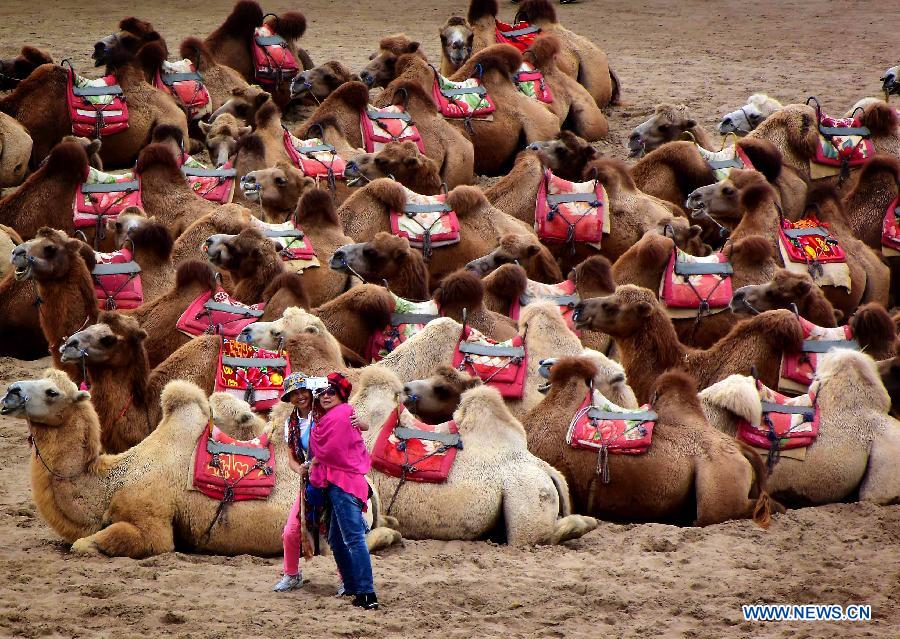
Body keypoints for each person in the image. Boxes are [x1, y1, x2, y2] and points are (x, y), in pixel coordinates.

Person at [308, 371, 379, 610]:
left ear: (340, 394)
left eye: (331, 391)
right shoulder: (333, 416)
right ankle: (351, 585)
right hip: (337, 484)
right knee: (337, 540)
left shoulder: (340, 416)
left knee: (353, 539)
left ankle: (367, 593)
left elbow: (330, 451)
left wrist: (315, 461)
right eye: (322, 392)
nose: (325, 396)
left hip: (343, 484)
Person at [273, 372, 316, 593]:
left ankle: (346, 578)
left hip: (331, 479)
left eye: (303, 391)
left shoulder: (324, 413)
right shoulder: (290, 425)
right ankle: (291, 574)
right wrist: (299, 469)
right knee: (290, 532)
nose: (300, 396)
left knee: (338, 534)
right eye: (294, 394)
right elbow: (291, 458)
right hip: (308, 482)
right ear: (289, 399)